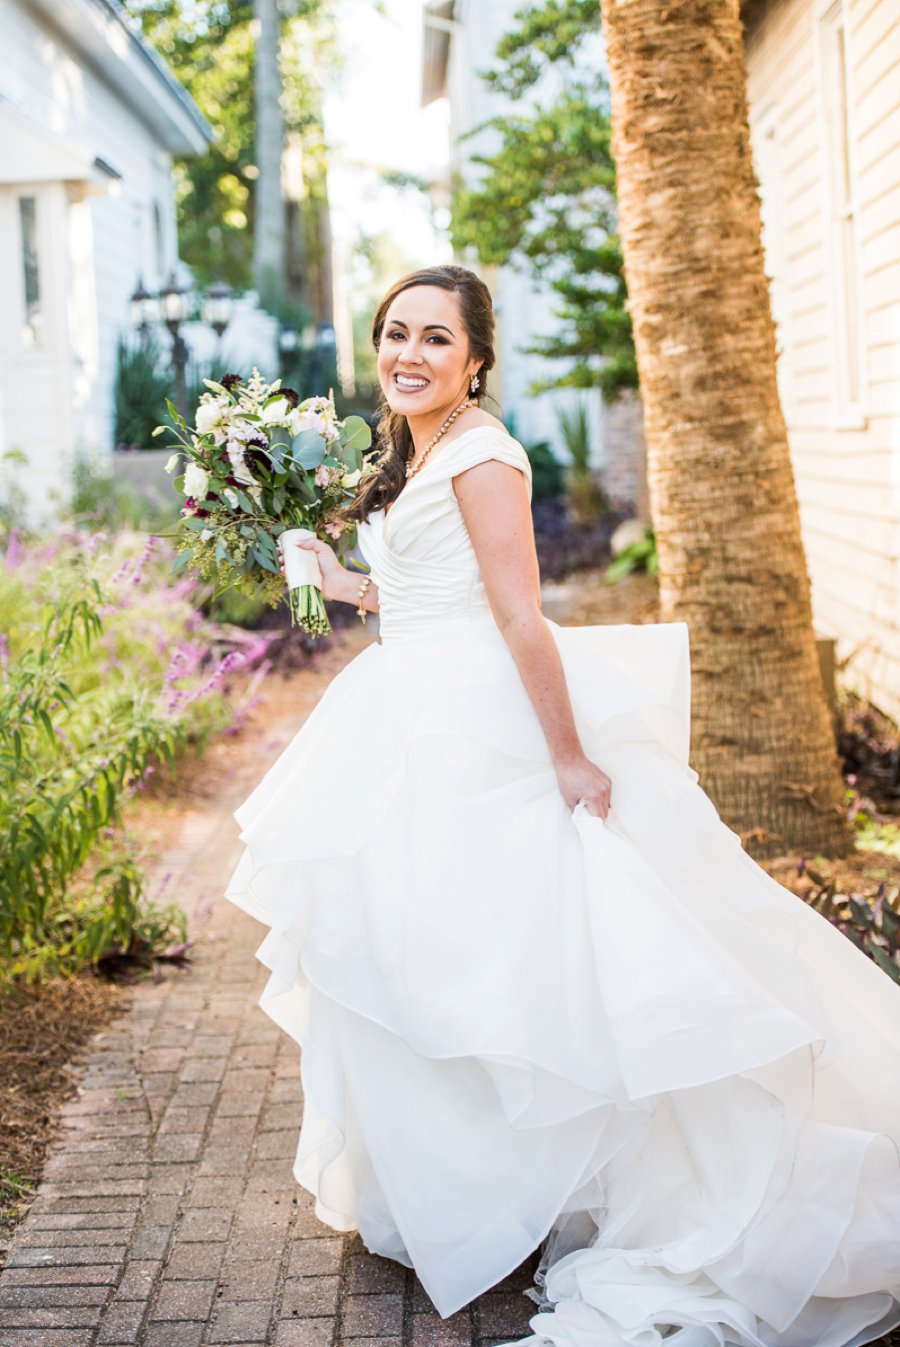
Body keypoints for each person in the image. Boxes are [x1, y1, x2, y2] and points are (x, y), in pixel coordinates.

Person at [224, 264, 900, 1347]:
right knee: (419, 965)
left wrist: (571, 759)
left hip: (474, 727)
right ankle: (472, 1186)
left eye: (435, 338)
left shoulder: (486, 454)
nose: (407, 353)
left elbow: (521, 618)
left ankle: (555, 1187)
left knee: (508, 969)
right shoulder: (419, 448)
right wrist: (325, 569)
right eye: (395, 332)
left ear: (476, 359)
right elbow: (412, 596)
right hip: (411, 716)